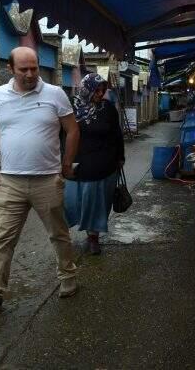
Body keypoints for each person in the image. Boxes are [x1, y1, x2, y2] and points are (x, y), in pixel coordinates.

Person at [0, 46, 80, 312]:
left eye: (34, 68)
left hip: (48, 179)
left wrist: (67, 163)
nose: (30, 74)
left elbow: (72, 129)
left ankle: (68, 276)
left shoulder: (55, 94)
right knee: (2, 238)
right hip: (10, 181)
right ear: (10, 69)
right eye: (23, 69)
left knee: (58, 234)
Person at [64, 73, 125, 254]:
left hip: (103, 166)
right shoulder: (70, 107)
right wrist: (62, 158)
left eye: (102, 90)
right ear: (86, 88)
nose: (100, 94)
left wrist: (120, 157)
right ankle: (63, 237)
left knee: (97, 204)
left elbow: (117, 134)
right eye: (96, 90)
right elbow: (60, 133)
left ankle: (93, 237)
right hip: (76, 164)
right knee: (71, 203)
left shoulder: (108, 108)